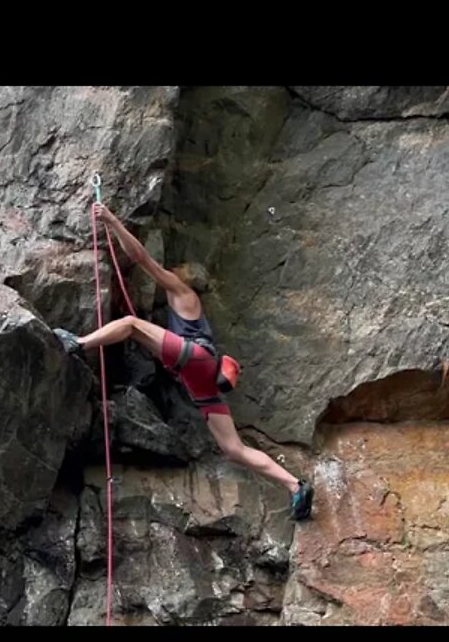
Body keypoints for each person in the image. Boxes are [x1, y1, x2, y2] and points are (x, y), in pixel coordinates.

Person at [53, 204, 313, 520]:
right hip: (199, 377)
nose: (169, 272)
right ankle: (295, 486)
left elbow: (140, 258)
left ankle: (77, 343)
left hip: (196, 359)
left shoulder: (181, 291)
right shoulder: (186, 307)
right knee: (233, 449)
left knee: (132, 324)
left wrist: (110, 221)